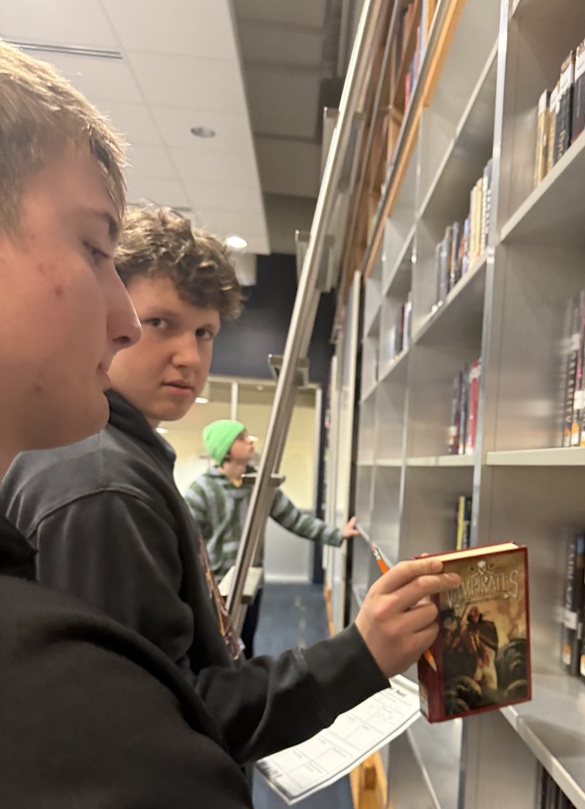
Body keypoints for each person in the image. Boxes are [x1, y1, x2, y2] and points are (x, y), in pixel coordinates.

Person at [0, 38, 585, 809]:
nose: (126, 322)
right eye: (97, 249)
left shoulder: (112, 485)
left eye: (199, 329)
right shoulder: (88, 525)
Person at [0, 203, 428, 765]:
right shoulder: (105, 486)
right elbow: (156, 724)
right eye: (161, 324)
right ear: (111, 316)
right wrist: (358, 654)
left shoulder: (124, 457)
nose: (189, 355)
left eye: (205, 333)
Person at [185, 417, 359, 656]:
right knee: (216, 649)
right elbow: (188, 542)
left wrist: (337, 534)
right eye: (241, 438)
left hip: (251, 583)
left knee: (246, 642)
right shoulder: (200, 491)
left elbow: (294, 519)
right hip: (214, 588)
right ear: (225, 450)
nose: (250, 441)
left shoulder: (261, 485)